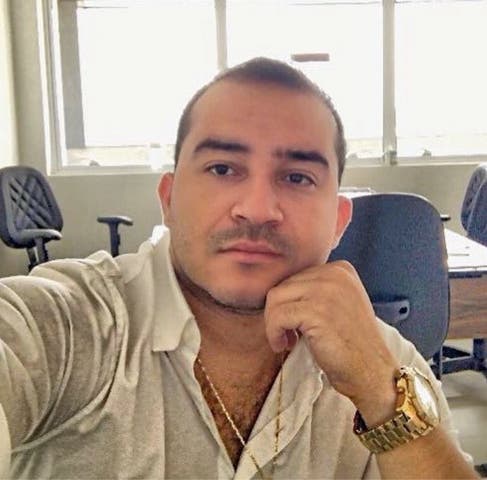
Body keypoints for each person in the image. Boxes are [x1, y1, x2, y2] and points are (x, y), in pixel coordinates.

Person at [0, 57, 478, 479]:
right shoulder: (67, 326)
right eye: (223, 169)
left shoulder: (386, 361)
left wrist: (381, 396)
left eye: (297, 177)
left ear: (338, 222)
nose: (256, 209)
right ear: (169, 200)